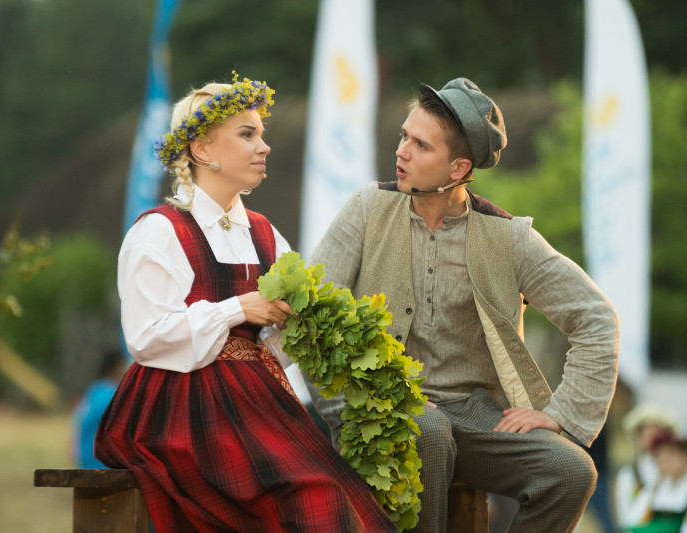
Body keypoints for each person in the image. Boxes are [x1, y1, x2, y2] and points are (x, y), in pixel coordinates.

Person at [302, 77, 621, 533]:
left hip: (474, 418)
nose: (402, 151)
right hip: (376, 408)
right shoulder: (368, 208)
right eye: (403, 136)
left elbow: (596, 318)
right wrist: (349, 406)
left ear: (458, 169)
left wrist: (561, 415)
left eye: (420, 145)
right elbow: (314, 315)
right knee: (429, 433)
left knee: (571, 472)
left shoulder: (508, 238)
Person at [94, 75, 396, 533]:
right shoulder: (159, 230)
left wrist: (291, 332)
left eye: (262, 134)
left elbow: (283, 343)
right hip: (181, 407)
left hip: (256, 400)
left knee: (338, 498)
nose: (264, 147)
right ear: (201, 150)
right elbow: (146, 337)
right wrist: (239, 308)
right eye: (247, 134)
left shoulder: (265, 234)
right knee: (305, 496)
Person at [616, 403, 682, 527]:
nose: (650, 437)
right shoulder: (629, 474)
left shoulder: (679, 470)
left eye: (656, 433)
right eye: (645, 432)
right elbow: (625, 519)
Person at [71, 348, 128, 469]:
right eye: (125, 365)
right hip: (101, 462)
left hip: (84, 459)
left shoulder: (94, 390)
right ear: (116, 367)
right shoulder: (112, 395)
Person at [622, 434, 687, 533]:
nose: (664, 465)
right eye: (660, 461)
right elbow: (631, 521)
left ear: (683, 457)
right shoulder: (656, 487)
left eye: (668, 459)